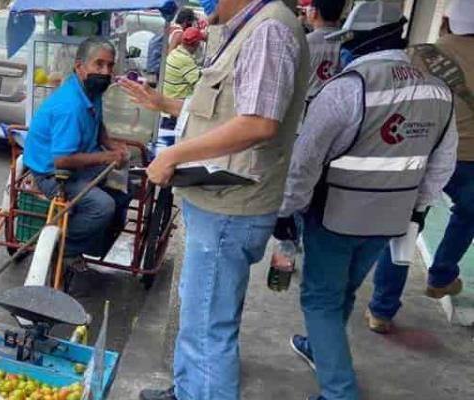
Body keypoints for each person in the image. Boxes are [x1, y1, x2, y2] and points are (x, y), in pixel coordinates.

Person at [123, 0, 309, 399]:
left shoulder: (269, 30)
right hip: (217, 203)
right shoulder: (248, 27)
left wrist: (173, 155)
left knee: (208, 329)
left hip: (230, 208)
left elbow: (259, 123)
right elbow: (224, 112)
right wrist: (163, 103)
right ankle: (186, 390)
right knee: (200, 316)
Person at [273, 2, 457, 399]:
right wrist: (418, 210)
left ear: (361, 40)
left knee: (320, 299)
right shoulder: (438, 91)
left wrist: (286, 210)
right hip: (391, 218)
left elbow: (305, 162)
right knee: (344, 291)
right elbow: (442, 165)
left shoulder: (347, 88)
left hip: (334, 218)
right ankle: (321, 348)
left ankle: (339, 392)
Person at [366, 0, 474, 334]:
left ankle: (382, 309)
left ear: (445, 22)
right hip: (470, 159)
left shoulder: (419, 55)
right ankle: (441, 275)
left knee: (404, 227)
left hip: (423, 151)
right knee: (468, 215)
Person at [22, 38, 130, 273]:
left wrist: (111, 146)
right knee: (103, 206)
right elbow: (62, 160)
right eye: (99, 64)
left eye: (110, 65)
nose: (105, 71)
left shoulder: (90, 90)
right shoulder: (70, 106)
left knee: (127, 182)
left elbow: (96, 121)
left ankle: (90, 236)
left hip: (78, 163)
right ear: (80, 67)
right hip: (52, 173)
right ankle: (65, 247)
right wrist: (107, 157)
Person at [301, 0, 345, 100]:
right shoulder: (348, 40)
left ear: (314, 13)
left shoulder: (304, 42)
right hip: (340, 102)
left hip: (310, 103)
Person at [163, 27, 204, 99]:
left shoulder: (175, 52)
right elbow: (199, 82)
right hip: (178, 98)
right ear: (195, 44)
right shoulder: (185, 59)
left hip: (169, 95)